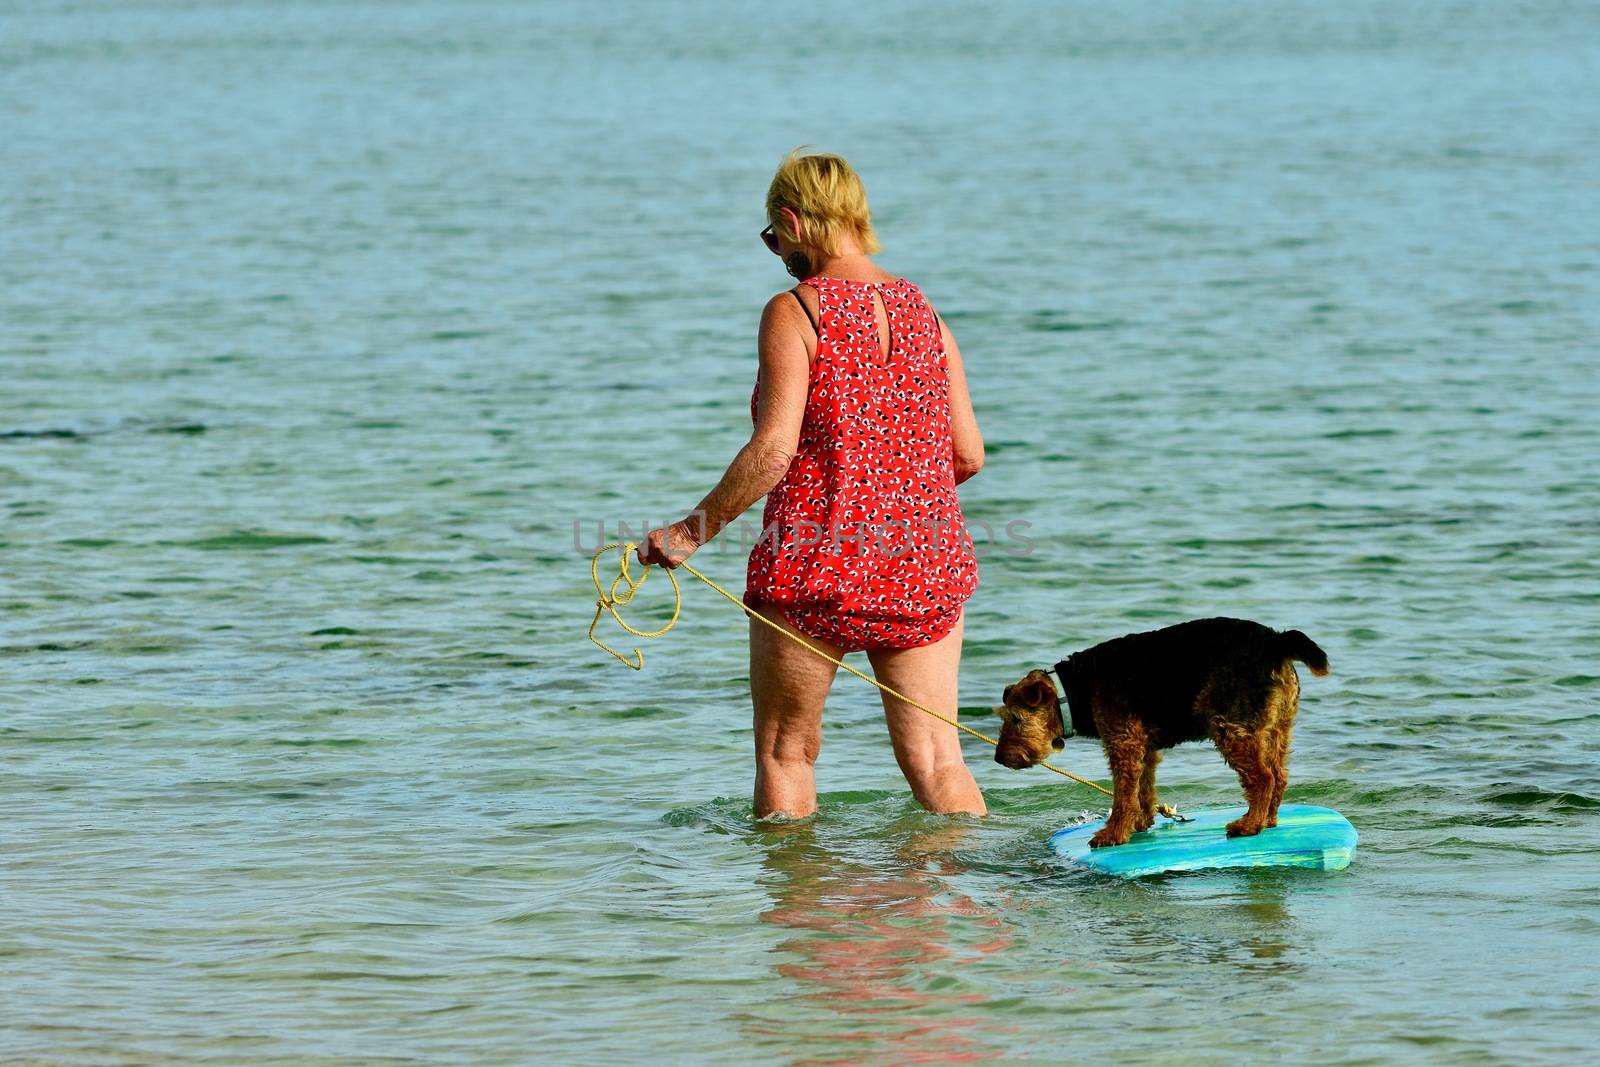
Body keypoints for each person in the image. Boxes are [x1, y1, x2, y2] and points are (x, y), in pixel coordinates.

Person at [638, 149, 987, 819]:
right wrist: (896, 496)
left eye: (773, 238)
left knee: (786, 753)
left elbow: (773, 452)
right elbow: (966, 454)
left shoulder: (797, 311)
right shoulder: (925, 314)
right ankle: (965, 909)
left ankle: (797, 919)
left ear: (795, 223)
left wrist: (687, 534)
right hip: (925, 560)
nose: (775, 252)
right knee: (940, 761)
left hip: (814, 563)